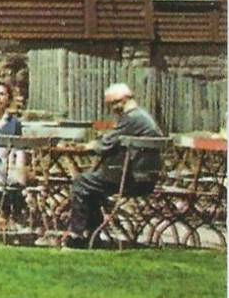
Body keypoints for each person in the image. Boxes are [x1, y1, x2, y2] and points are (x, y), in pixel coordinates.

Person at [65, 82, 164, 248]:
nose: (112, 109)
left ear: (122, 100)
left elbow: (107, 144)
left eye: (112, 104)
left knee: (82, 182)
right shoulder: (143, 117)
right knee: (92, 186)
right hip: (145, 177)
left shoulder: (132, 119)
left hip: (131, 179)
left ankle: (77, 235)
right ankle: (92, 235)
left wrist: (89, 145)